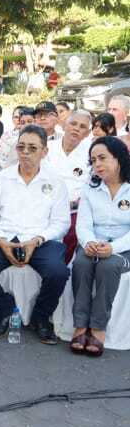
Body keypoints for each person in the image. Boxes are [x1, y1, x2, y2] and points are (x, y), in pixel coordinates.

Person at [0, 125, 71, 343]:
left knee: (58, 272)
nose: (26, 153)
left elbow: (62, 222)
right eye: (21, 147)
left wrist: (37, 240)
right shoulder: (2, 178)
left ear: (44, 152)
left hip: (41, 240)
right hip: (5, 237)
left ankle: (41, 318)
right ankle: (6, 310)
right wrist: (1, 241)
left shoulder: (56, 182)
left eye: (32, 148)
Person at [71, 136, 130, 356]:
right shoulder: (90, 188)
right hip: (92, 244)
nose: (97, 164)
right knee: (81, 264)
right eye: (93, 159)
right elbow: (83, 223)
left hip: (124, 248)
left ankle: (98, 328)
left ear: (119, 159)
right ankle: (80, 326)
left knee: (108, 266)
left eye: (102, 158)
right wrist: (89, 243)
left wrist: (112, 249)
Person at [45, 110, 93, 262]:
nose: (76, 128)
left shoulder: (91, 154)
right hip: (44, 205)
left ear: (88, 132)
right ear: (64, 125)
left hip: (74, 210)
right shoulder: (47, 147)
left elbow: (91, 187)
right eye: (73, 123)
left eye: (82, 126)